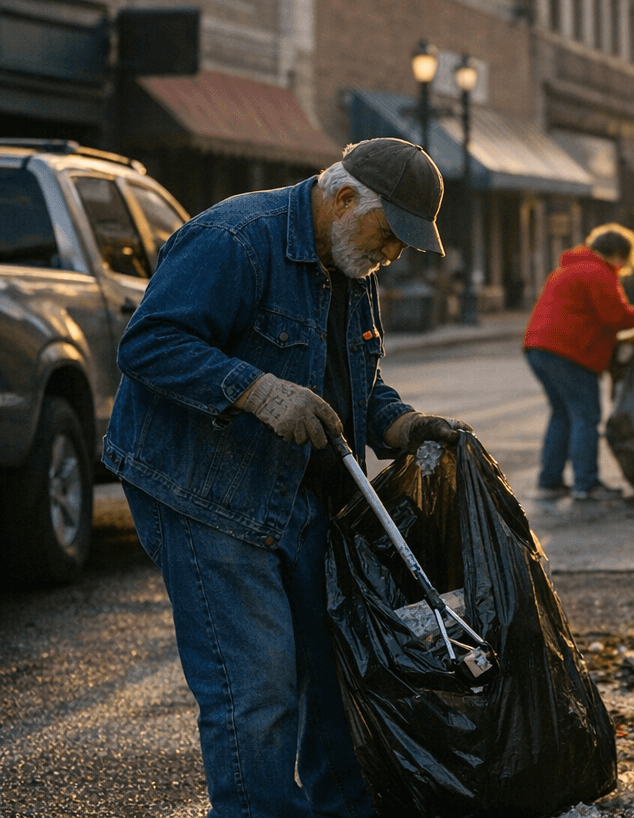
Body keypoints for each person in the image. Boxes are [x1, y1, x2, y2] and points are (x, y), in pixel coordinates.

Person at [102, 138, 473, 818]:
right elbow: (148, 344)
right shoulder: (234, 238)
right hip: (206, 492)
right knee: (257, 687)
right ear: (341, 200)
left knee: (334, 673)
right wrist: (257, 391)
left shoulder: (351, 261)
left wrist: (399, 425)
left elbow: (351, 379)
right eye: (390, 237)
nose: (391, 257)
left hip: (297, 491)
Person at [522, 223, 634, 500]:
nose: (624, 268)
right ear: (617, 254)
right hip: (568, 352)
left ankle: (550, 481)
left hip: (538, 348)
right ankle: (586, 484)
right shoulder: (598, 272)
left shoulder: (569, 268)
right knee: (585, 415)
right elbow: (616, 316)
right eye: (624, 261)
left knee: (562, 414)